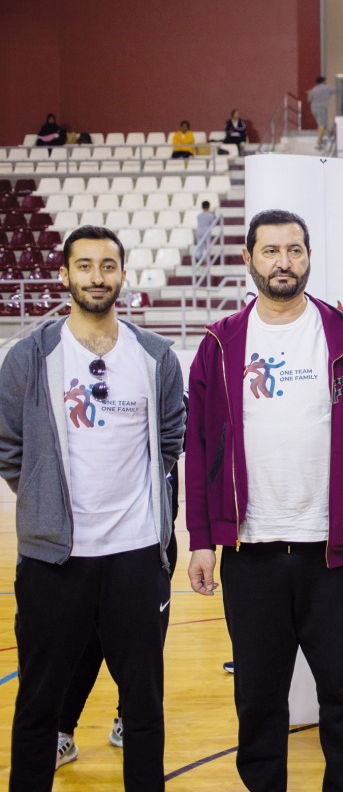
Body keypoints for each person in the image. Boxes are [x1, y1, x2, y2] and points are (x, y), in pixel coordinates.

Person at [185, 209, 343, 791]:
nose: (284, 262)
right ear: (249, 260)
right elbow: (199, 446)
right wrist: (202, 539)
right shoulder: (220, 344)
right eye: (271, 251)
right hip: (250, 553)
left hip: (333, 552)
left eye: (295, 250)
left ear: (308, 256)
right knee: (258, 692)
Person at [0, 224, 185, 792]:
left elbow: (171, 442)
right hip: (55, 561)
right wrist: (44, 504)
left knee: (144, 707)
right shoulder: (29, 356)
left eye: (108, 266)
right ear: (64, 275)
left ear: (123, 275)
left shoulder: (155, 357)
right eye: (84, 266)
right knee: (38, 703)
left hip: (135, 559)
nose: (96, 277)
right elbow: (10, 450)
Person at [56, 480, 180, 769]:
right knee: (86, 641)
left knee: (138, 645)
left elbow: (171, 444)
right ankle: (62, 731)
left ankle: (129, 719)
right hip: (82, 545)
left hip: (145, 544)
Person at [307, 76, 334, 149]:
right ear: (323, 81)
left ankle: (321, 140)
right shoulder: (327, 88)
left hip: (313, 108)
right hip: (322, 108)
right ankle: (319, 142)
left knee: (320, 124)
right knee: (321, 124)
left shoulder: (314, 89)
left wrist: (309, 93)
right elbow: (337, 89)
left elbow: (309, 100)